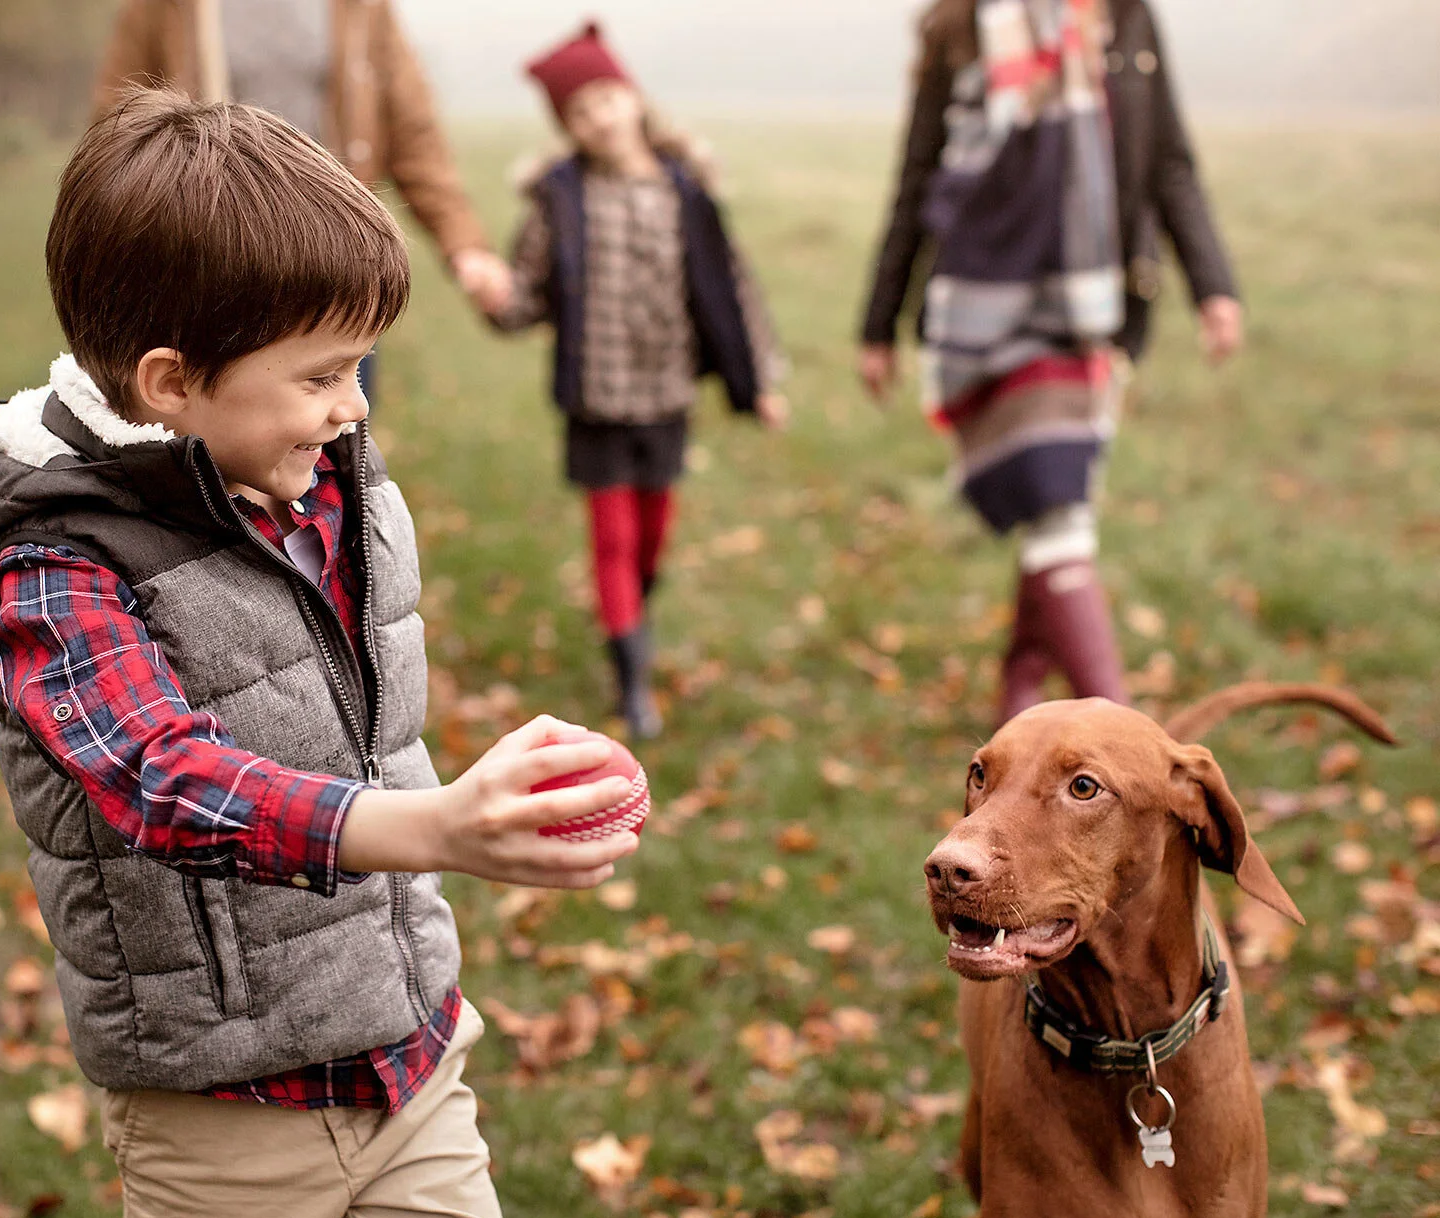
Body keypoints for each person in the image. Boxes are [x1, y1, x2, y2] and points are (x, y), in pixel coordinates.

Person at [0, 92, 640, 1218]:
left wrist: (473, 804)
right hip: (226, 1115)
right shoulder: (56, 560)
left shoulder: (325, 478)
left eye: (360, 366)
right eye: (321, 376)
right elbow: (162, 777)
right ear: (173, 383)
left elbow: (347, 719)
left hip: (409, 1057)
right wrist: (436, 829)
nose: (354, 407)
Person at [857, 0, 1242, 725]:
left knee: (1062, 507)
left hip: (1094, 306)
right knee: (1059, 512)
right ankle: (1126, 732)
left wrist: (1214, 286)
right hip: (985, 313)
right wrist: (877, 323)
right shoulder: (957, 26)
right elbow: (915, 179)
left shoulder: (1126, 18)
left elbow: (1168, 160)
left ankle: (1020, 681)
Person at [481, 23, 788, 741]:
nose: (598, 119)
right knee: (613, 541)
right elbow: (526, 295)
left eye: (606, 99)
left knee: (653, 539)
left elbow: (733, 289)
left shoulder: (686, 190)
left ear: (631, 97)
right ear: (568, 128)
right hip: (597, 403)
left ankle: (632, 623)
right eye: (578, 113)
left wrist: (761, 380)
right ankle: (632, 679)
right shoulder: (559, 201)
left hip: (667, 397)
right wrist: (496, 296)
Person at [92, 0, 511, 321]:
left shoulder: (361, 7)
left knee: (339, 423)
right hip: (208, 251)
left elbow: (411, 129)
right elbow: (120, 119)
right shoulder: (163, 7)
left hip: (337, 255)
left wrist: (465, 245)